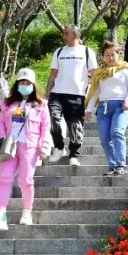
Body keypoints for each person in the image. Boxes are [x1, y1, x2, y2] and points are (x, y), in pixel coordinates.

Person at [0, 68, 51, 231]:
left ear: (33, 85)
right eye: (22, 82)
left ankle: (27, 212)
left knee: (26, 180)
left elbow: (45, 127)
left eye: (28, 83)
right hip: (10, 146)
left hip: (29, 146)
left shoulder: (41, 105)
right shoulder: (7, 103)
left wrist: (44, 145)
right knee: (4, 177)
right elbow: (1, 122)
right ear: (17, 84)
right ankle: (1, 214)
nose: (25, 85)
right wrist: (3, 138)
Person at [44, 25, 96, 168]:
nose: (63, 36)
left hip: (77, 95)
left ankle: (74, 154)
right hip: (57, 93)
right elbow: (53, 73)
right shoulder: (59, 51)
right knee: (52, 119)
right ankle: (59, 147)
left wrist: (92, 97)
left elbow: (95, 76)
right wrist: (47, 92)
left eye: (66, 33)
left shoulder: (87, 52)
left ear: (75, 35)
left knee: (75, 126)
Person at [84, 41, 128, 176]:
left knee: (117, 132)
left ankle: (121, 165)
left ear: (118, 54)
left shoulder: (125, 69)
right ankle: (112, 166)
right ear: (103, 56)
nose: (110, 57)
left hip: (121, 106)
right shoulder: (100, 72)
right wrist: (89, 109)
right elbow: (95, 92)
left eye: (112, 54)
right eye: (107, 55)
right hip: (103, 108)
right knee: (104, 138)